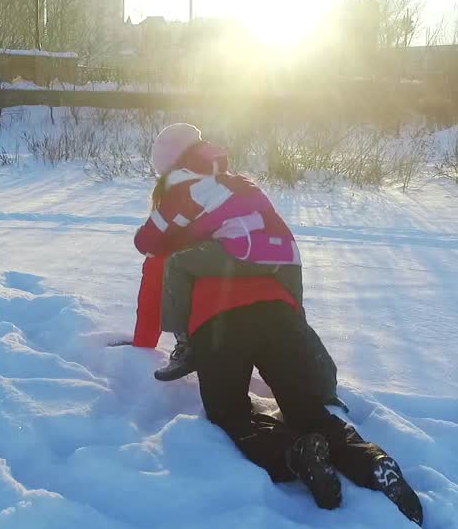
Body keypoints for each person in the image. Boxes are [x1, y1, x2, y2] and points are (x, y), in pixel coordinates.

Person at [185, 276, 424, 524]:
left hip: (218, 321)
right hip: (279, 313)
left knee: (229, 412)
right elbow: (291, 272)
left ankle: (293, 453)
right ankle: (372, 461)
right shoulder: (267, 234)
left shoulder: (183, 239)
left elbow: (161, 285)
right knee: (306, 408)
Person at [134, 124, 339, 406]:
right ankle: (322, 383)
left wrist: (142, 344)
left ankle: (186, 345)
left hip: (243, 252)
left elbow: (148, 241)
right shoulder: (233, 181)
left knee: (177, 265)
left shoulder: (184, 185)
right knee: (295, 321)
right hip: (285, 255)